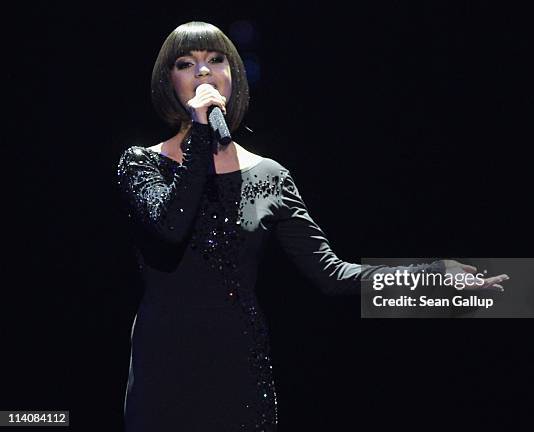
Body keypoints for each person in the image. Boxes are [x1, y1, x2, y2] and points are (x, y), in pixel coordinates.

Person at [116, 21, 509, 432]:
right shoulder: (141, 162)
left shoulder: (269, 176)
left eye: (216, 60)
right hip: (165, 364)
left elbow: (332, 274)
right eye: (186, 63)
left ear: (234, 76)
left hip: (238, 365)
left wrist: (431, 277)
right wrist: (199, 132)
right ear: (168, 81)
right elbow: (171, 225)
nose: (203, 72)